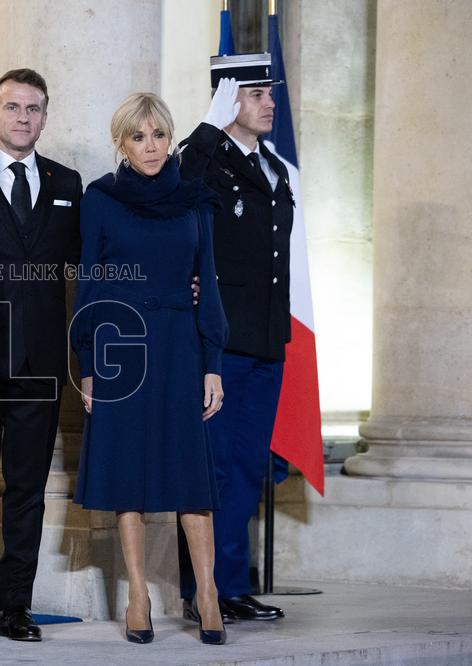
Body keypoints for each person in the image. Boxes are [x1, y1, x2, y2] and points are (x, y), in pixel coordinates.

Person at [70, 92, 228, 645]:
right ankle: (137, 595)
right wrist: (89, 364)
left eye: (159, 134)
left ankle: (206, 593)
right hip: (122, 348)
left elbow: (206, 282)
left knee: (192, 475)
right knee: (128, 476)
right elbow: (88, 282)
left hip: (182, 345)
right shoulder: (100, 199)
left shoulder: (194, 202)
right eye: (138, 137)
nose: (151, 146)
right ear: (121, 143)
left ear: (170, 136)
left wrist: (213, 363)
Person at [0, 69, 81, 643]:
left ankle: (17, 608)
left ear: (45, 117)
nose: (23, 118)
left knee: (27, 489)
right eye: (13, 107)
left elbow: (90, 264)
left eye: (34, 109)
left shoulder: (67, 182)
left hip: (40, 364)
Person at [176, 55, 293, 624]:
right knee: (215, 466)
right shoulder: (206, 162)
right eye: (255, 94)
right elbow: (177, 191)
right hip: (220, 342)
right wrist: (206, 126)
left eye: (270, 93)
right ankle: (202, 589)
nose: (270, 103)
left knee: (248, 465)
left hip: (267, 339)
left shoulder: (273, 167)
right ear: (227, 100)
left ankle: (230, 582)